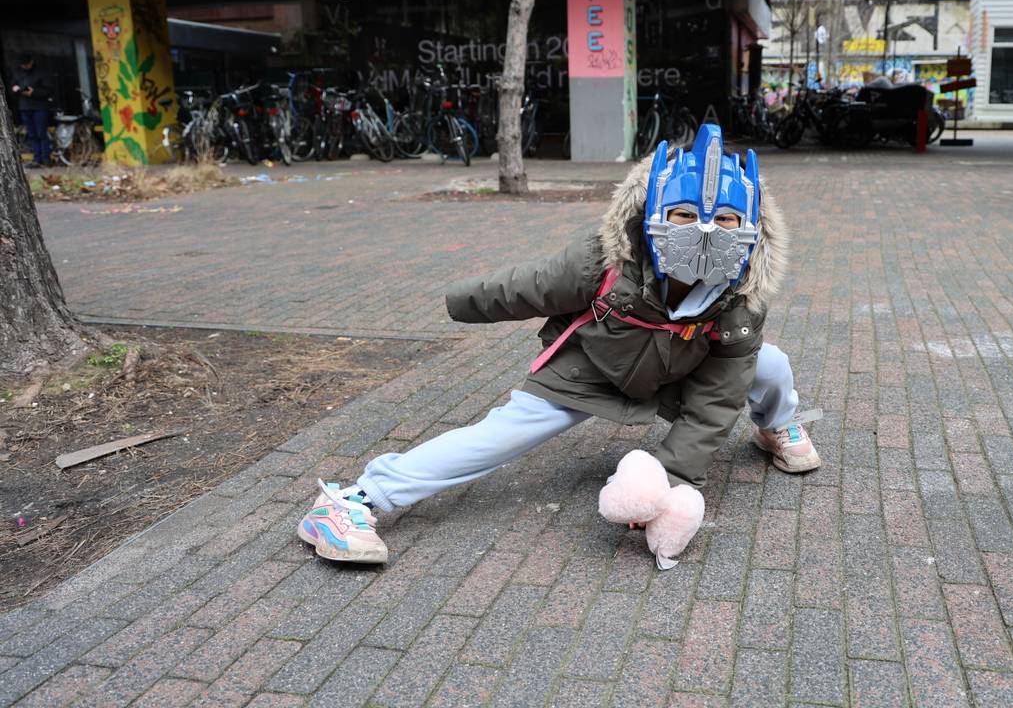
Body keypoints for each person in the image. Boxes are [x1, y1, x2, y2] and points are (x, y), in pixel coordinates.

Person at [295, 124, 821, 566]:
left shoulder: (740, 300)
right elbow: (531, 286)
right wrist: (460, 301)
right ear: (653, 213)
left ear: (749, 227)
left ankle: (777, 426)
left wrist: (666, 480)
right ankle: (353, 501)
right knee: (496, 437)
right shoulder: (606, 260)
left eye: (725, 219)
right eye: (685, 214)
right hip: (588, 369)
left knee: (769, 364)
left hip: (677, 374)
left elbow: (715, 404)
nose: (705, 231)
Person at [9, 53, 52, 168]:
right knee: (32, 134)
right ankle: (37, 159)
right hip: (25, 107)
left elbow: (48, 91)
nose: (24, 67)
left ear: (31, 62)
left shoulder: (41, 73)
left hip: (39, 107)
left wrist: (33, 92)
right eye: (23, 65)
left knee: (41, 133)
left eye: (26, 64)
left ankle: (46, 159)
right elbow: (12, 87)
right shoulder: (18, 72)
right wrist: (16, 90)